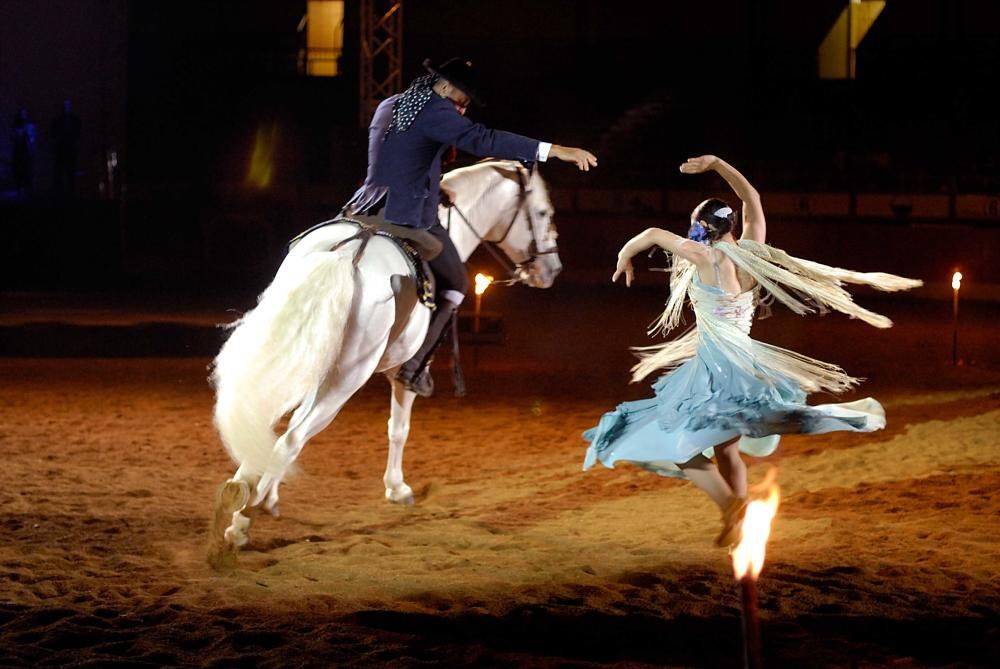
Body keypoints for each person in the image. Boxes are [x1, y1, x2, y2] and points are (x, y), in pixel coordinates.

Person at [582, 155, 921, 546]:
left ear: (705, 228)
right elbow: (751, 198)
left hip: (713, 371)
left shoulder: (705, 256)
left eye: (694, 224)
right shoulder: (752, 251)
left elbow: (654, 232)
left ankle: (730, 505)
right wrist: (717, 164)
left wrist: (625, 256)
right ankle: (737, 520)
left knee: (681, 447)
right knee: (726, 451)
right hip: (745, 364)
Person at [344, 57, 597, 397]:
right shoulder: (435, 111)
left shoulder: (392, 104)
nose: (463, 107)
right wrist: (553, 150)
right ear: (444, 86)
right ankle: (415, 365)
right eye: (462, 99)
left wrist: (435, 187)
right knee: (457, 283)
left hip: (365, 205)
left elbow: (402, 155)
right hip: (408, 214)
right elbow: (484, 140)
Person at [51, 98, 81, 198]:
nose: (67, 107)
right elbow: (54, 133)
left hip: (71, 148)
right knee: (60, 170)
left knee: (71, 170)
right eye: (65, 105)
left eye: (68, 105)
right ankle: (60, 192)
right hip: (61, 148)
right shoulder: (58, 120)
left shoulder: (75, 120)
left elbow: (78, 134)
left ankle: (71, 192)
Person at [11, 108, 37, 198]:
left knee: (27, 169)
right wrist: (21, 131)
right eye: (22, 113)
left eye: (25, 113)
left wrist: (32, 138)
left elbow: (33, 137)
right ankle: (19, 188)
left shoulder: (31, 124)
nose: (24, 115)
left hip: (27, 150)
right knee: (18, 169)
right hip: (18, 150)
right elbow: (15, 135)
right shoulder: (16, 124)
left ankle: (27, 188)